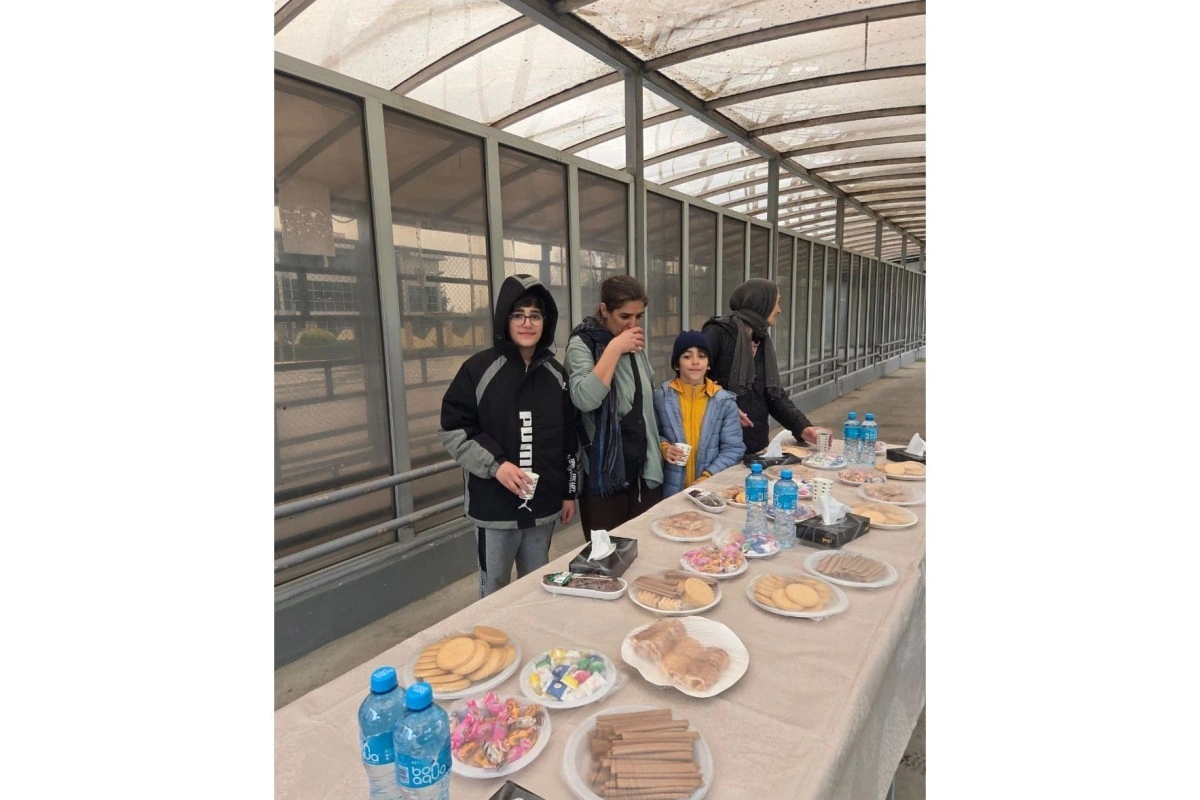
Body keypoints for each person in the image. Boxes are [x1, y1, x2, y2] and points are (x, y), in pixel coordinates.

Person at [439, 274, 578, 597]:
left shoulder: (557, 375)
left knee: (536, 587)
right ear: (505, 318)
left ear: (546, 321)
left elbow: (569, 438)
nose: (527, 323)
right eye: (518, 315)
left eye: (535, 315)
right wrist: (497, 466)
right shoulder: (477, 370)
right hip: (494, 509)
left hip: (542, 507)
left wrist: (569, 492)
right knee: (494, 590)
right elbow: (454, 429)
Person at [565, 275, 663, 539]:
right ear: (604, 310)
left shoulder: (635, 347)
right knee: (607, 554)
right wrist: (614, 348)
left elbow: (649, 401)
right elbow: (584, 398)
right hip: (604, 475)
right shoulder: (583, 343)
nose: (633, 325)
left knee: (647, 547)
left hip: (643, 467)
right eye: (624, 316)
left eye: (639, 317)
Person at [702, 278, 826, 454]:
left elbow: (773, 395)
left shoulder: (761, 341)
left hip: (755, 447)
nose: (779, 310)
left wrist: (803, 428)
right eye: (776, 302)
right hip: (719, 449)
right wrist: (724, 403)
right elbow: (691, 383)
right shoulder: (717, 333)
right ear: (762, 303)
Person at [653, 331, 745, 497]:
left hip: (710, 489)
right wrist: (664, 447)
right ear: (676, 364)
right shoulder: (661, 397)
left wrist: (708, 476)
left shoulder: (724, 402)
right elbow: (651, 435)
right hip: (669, 490)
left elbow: (733, 448)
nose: (695, 362)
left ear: (708, 364)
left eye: (702, 356)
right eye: (687, 356)